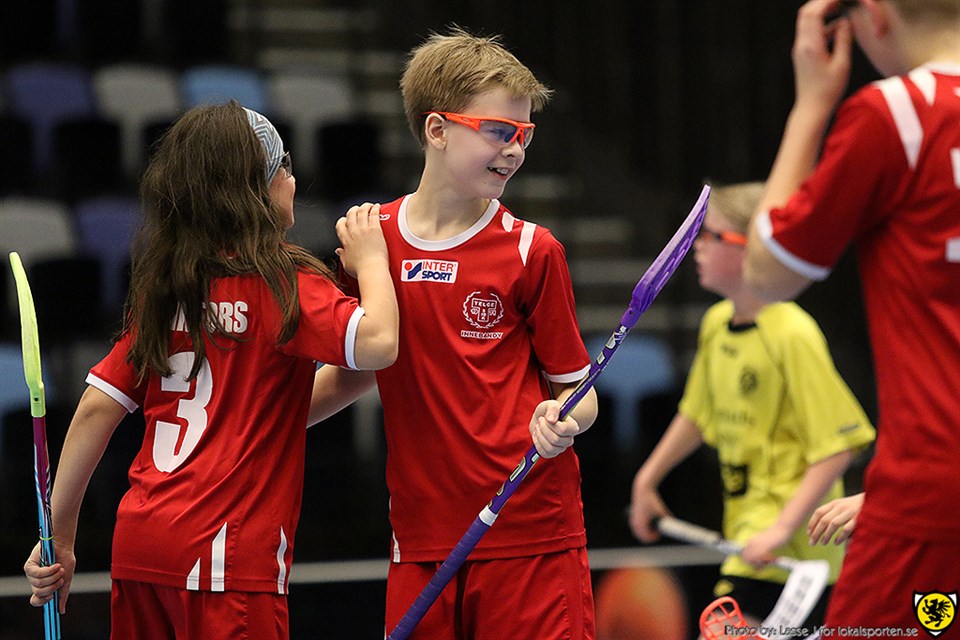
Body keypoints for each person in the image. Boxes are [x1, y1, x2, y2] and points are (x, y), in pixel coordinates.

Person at [22, 101, 399, 640]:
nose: (294, 179)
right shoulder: (283, 284)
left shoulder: (168, 286)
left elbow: (96, 408)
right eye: (284, 165)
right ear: (256, 188)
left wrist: (59, 536)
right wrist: (374, 261)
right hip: (226, 561)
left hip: (140, 547)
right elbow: (381, 344)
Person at [310, 27, 599, 639]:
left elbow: (579, 392)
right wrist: (259, 422)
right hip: (421, 538)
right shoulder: (371, 243)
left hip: (529, 533)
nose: (515, 150)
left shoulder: (532, 249)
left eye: (524, 135)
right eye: (498, 131)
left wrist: (563, 420)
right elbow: (359, 368)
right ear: (437, 130)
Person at [743, 0, 959, 629]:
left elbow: (768, 272)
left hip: (932, 487)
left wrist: (811, 104)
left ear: (875, 15)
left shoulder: (897, 114)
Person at [629, 182, 875, 631]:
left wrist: (781, 528)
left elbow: (839, 445)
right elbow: (696, 414)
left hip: (792, 558)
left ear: (752, 249)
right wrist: (647, 480)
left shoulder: (791, 333)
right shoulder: (716, 324)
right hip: (748, 543)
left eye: (711, 235)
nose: (698, 246)